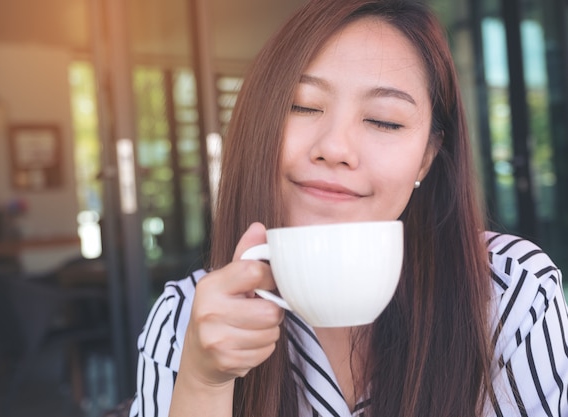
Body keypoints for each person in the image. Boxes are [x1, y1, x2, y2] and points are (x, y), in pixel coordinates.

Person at [128, 0, 568, 416]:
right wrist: (205, 382)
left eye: (384, 120)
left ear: (428, 157)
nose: (335, 148)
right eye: (302, 106)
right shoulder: (187, 318)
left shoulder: (510, 294)